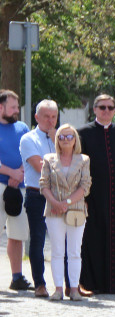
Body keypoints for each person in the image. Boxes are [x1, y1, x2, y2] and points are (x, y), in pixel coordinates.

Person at [78, 94, 115, 295]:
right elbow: (80, 167)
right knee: (92, 239)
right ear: (94, 109)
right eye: (102, 107)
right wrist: (82, 197)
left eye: (110, 108)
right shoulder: (83, 133)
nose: (106, 111)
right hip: (93, 196)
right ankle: (91, 283)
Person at [39, 124, 92, 301]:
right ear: (57, 140)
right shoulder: (49, 158)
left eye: (69, 136)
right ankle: (58, 289)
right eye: (61, 137)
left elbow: (85, 186)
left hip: (76, 210)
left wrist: (66, 202)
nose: (65, 140)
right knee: (57, 251)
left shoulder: (83, 160)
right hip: (53, 210)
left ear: (75, 139)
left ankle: (74, 289)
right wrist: (55, 202)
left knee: (74, 251)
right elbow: (44, 184)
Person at [20, 99, 59, 297]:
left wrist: (57, 142)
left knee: (65, 240)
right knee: (38, 241)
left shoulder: (62, 138)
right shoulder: (28, 139)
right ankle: (40, 284)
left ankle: (67, 283)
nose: (51, 121)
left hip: (61, 195)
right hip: (38, 194)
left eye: (54, 117)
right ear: (37, 117)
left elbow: (77, 162)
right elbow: (40, 167)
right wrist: (63, 162)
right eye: (46, 117)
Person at [0, 89, 31, 291]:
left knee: (18, 234)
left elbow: (30, 152)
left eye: (16, 107)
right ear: (0, 107)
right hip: (1, 184)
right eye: (12, 107)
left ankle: (17, 277)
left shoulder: (22, 127)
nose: (16, 111)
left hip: (20, 187)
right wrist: (11, 172)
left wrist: (20, 173)